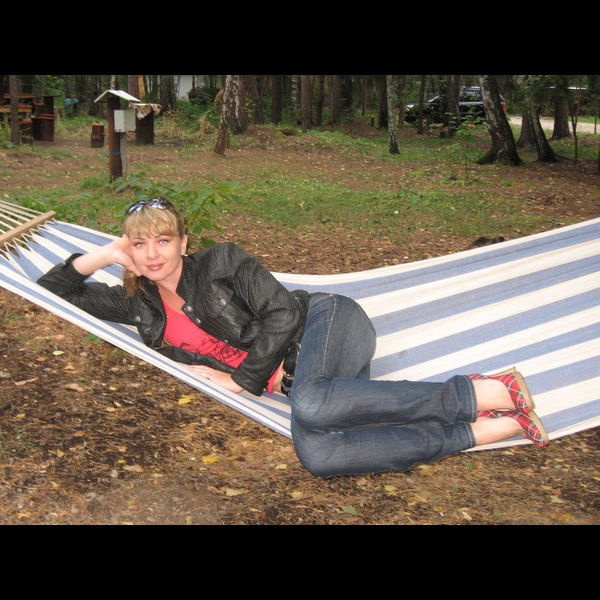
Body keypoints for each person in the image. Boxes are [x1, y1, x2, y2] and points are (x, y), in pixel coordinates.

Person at [37, 198, 549, 478]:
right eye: (139, 243)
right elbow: (53, 291)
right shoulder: (137, 305)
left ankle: (483, 392)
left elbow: (282, 311)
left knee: (312, 404)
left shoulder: (221, 262)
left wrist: (243, 378)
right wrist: (104, 255)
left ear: (184, 243)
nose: (152, 254)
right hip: (308, 383)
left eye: (163, 240)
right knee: (320, 455)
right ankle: (479, 431)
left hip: (326, 323)